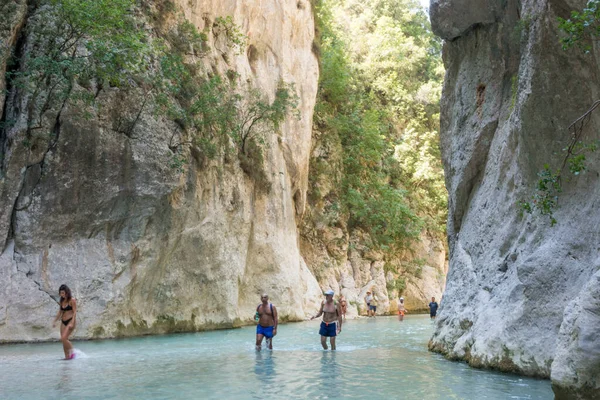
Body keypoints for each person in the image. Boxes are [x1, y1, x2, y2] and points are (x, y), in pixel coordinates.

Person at [52, 284, 77, 359]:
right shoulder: (62, 300)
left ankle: (73, 352)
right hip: (63, 321)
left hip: (70, 321)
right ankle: (67, 357)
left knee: (63, 338)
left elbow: (75, 312)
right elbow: (60, 312)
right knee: (63, 340)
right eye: (60, 293)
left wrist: (72, 323)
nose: (62, 294)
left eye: (63, 293)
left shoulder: (72, 300)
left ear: (67, 292)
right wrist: (54, 321)